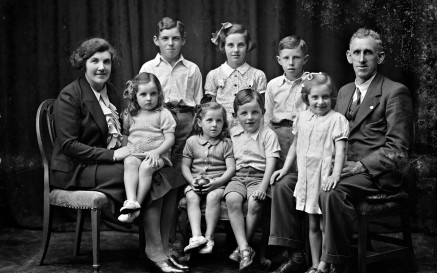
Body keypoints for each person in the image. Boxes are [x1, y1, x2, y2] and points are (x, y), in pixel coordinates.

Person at [318, 28, 413, 273]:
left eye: (368, 53)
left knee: (332, 191)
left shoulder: (395, 92)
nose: (362, 59)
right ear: (348, 56)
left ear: (380, 57)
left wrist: (358, 166)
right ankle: (298, 255)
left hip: (377, 174)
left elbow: (398, 150)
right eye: (357, 52)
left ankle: (334, 264)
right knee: (293, 182)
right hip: (346, 167)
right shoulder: (344, 91)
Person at [138, 17, 202, 273]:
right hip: (157, 129)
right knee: (157, 186)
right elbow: (142, 102)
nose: (171, 43)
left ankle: (165, 248)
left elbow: (196, 105)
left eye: (176, 38)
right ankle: (153, 250)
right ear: (157, 41)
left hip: (184, 129)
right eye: (165, 38)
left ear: (183, 40)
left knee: (173, 190)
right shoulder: (149, 66)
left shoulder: (192, 69)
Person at [271, 72, 349, 273]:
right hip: (306, 179)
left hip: (323, 178)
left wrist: (335, 175)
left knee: (324, 226)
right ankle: (315, 266)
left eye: (325, 97)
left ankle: (325, 265)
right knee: (312, 225)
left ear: (331, 97)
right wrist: (285, 169)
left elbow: (340, 152)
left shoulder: (337, 120)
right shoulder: (302, 118)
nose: (321, 102)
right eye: (315, 97)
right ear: (306, 98)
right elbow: (295, 147)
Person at [51, 37, 129, 209]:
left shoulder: (112, 92)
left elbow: (116, 134)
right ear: (83, 63)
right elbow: (69, 145)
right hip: (73, 169)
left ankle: (150, 230)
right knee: (132, 173)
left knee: (147, 168)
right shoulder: (70, 95)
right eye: (95, 61)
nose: (102, 67)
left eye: (106, 62)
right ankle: (145, 225)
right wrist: (114, 155)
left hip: (97, 164)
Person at [224, 89, 281, 271]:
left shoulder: (268, 134)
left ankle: (242, 249)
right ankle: (245, 248)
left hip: (259, 176)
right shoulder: (232, 133)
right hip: (238, 176)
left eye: (255, 112)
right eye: (244, 113)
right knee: (232, 199)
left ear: (263, 113)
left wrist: (263, 187)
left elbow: (272, 162)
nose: (250, 117)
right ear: (235, 115)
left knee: (255, 202)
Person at [118, 72, 176, 223]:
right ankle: (130, 201)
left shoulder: (163, 114)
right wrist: (125, 151)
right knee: (129, 163)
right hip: (135, 153)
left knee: (145, 168)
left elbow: (170, 138)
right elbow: (125, 135)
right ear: (135, 96)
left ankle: (138, 203)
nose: (149, 98)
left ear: (159, 94)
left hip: (158, 155)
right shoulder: (131, 114)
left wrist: (157, 152)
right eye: (143, 94)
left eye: (153, 93)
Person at [181, 102, 236, 254]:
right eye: (209, 120)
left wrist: (217, 182)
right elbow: (185, 166)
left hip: (218, 184)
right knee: (191, 197)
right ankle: (197, 236)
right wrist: (191, 181)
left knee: (212, 197)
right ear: (199, 122)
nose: (214, 125)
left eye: (219, 121)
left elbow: (231, 168)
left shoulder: (226, 143)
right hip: (195, 182)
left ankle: (209, 238)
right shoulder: (192, 141)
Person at [205, 22, 267, 126]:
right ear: (223, 46)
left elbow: (261, 112)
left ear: (247, 46)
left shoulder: (258, 75)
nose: (236, 50)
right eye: (230, 45)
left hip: (249, 129)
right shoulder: (213, 75)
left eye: (240, 45)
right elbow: (211, 110)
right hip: (222, 132)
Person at [264, 35, 309, 168]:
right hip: (278, 134)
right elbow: (267, 116)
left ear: (305, 59)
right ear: (279, 60)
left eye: (296, 57)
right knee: (279, 172)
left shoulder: (312, 82)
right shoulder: (273, 85)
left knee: (301, 171)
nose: (291, 62)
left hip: (303, 135)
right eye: (286, 58)